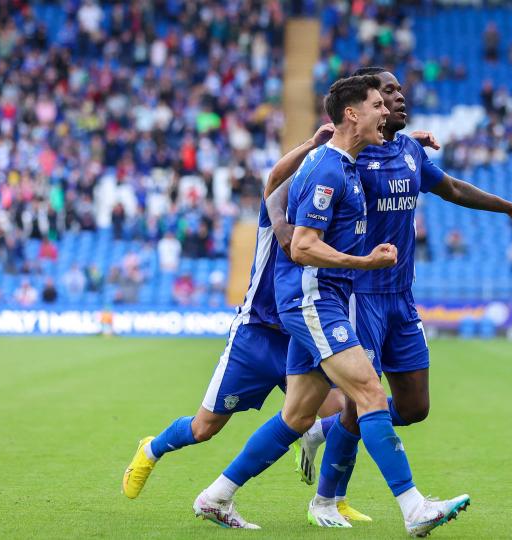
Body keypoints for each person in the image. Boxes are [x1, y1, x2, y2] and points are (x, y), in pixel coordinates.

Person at [265, 67, 512, 524]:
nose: (397, 98)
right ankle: (329, 499)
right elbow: (280, 189)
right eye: (386, 93)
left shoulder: (409, 151)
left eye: (398, 92)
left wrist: (509, 208)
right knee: (366, 398)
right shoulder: (346, 156)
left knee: (415, 408)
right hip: (358, 292)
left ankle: (324, 431)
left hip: (401, 295)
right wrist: (284, 234)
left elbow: (452, 187)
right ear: (364, 107)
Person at [192, 75, 469, 535]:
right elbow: (302, 246)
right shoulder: (325, 169)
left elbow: (390, 153)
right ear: (352, 114)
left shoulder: (346, 163)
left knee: (298, 415)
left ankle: (216, 495)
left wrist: (407, 140)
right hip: (314, 299)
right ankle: (414, 507)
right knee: (369, 395)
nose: (387, 111)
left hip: (326, 297)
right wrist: (364, 261)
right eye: (378, 104)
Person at [120, 125, 345, 503]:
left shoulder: (326, 217)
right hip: (255, 336)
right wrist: (312, 143)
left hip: (300, 334)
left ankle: (330, 500)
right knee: (204, 427)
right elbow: (273, 180)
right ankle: (151, 449)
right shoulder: (276, 213)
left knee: (340, 413)